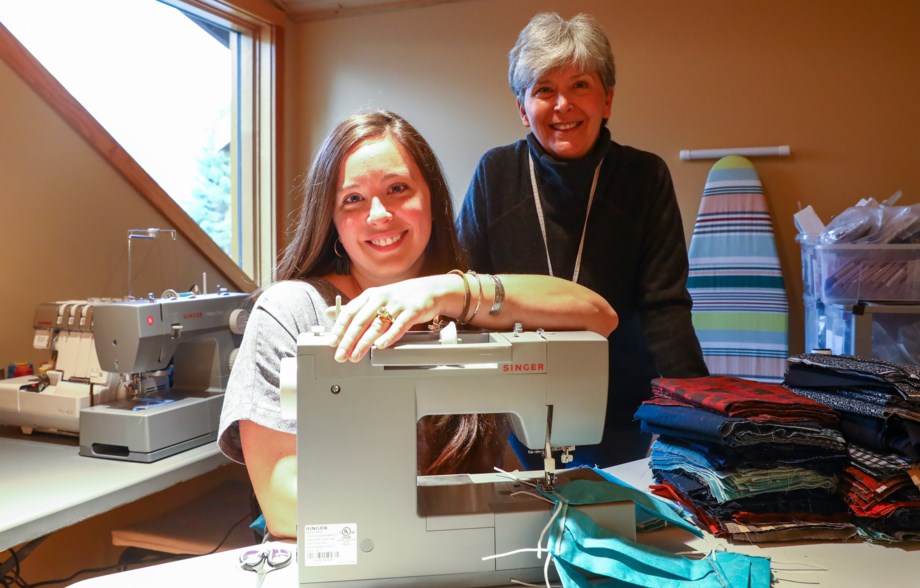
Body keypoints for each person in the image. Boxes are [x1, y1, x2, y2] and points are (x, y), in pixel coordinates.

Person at [218, 110, 618, 540]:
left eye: (397, 189)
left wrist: (444, 294)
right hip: (343, 559)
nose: (379, 215)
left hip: (467, 549)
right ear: (330, 217)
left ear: (431, 198)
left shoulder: (467, 305)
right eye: (352, 198)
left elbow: (599, 316)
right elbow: (283, 504)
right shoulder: (293, 312)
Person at [457, 12, 707, 469]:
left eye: (580, 86)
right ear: (521, 107)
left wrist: (696, 413)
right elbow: (463, 295)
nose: (562, 106)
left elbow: (665, 307)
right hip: (515, 410)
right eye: (544, 90)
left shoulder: (645, 176)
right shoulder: (495, 174)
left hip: (624, 410)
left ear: (607, 99)